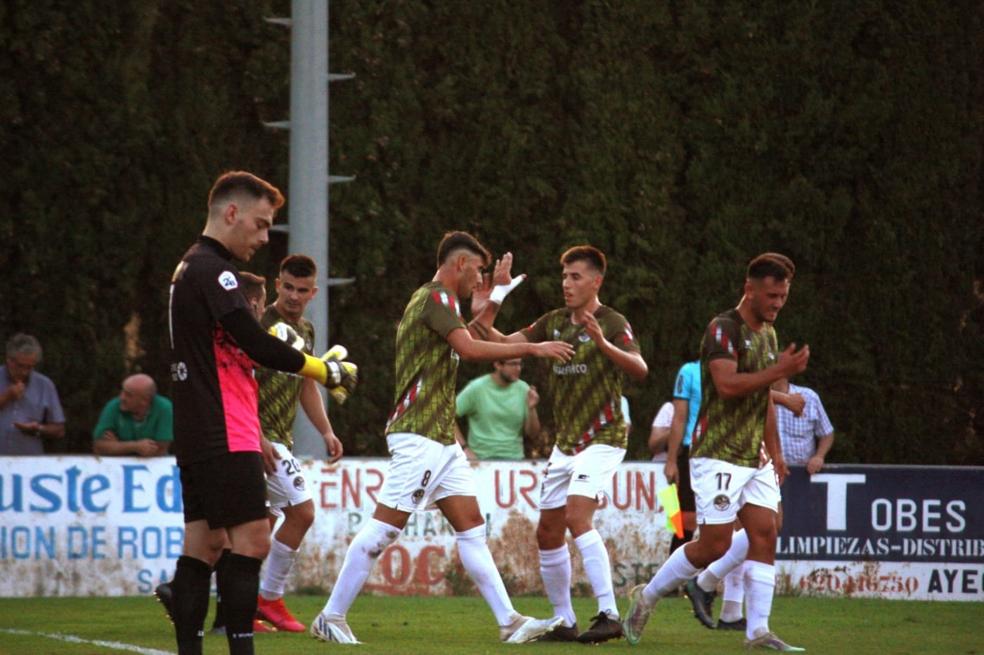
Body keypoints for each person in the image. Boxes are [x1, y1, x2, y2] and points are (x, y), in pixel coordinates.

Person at [309, 231, 574, 645]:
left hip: (440, 441)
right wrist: (535, 349)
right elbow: (470, 348)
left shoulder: (441, 302)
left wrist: (499, 292)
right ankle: (330, 616)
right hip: (419, 434)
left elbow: (476, 330)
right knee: (383, 531)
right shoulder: (435, 298)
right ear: (461, 265)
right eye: (479, 271)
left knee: (470, 528)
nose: (480, 279)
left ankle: (509, 622)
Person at [167, 171, 357, 655]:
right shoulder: (216, 271)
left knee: (204, 546)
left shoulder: (188, 269)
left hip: (196, 427)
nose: (264, 236)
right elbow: (255, 344)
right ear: (231, 214)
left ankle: (191, 649)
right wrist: (324, 370)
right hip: (226, 427)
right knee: (252, 542)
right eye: (260, 223)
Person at [623, 252, 809, 652]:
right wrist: (779, 372)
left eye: (783, 296)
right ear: (750, 289)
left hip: (753, 453)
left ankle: (758, 632)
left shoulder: (769, 335)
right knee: (714, 545)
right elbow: (727, 386)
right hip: (717, 453)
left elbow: (761, 399)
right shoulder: (722, 329)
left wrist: (774, 451)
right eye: (772, 295)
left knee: (765, 532)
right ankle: (649, 597)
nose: (778, 303)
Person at [470, 245, 648, 643]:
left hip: (603, 438)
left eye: (576, 277)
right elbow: (494, 340)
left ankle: (609, 614)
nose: (566, 284)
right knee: (548, 532)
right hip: (566, 444)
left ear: (596, 281)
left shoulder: (613, 321)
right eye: (564, 276)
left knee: (577, 517)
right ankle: (564, 621)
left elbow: (640, 368)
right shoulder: (552, 322)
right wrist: (492, 299)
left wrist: (605, 345)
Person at [253, 254, 345, 633]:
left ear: (313, 293)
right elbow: (241, 383)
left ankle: (240, 608)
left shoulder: (306, 330)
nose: (293, 295)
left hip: (278, 438)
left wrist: (326, 430)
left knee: (258, 529)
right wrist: (256, 436)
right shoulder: (259, 323)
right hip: (259, 437)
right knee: (301, 513)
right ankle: (268, 598)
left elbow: (307, 382)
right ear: (277, 284)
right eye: (287, 287)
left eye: (301, 290)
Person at [454, 358, 540, 461]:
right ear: (498, 365)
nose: (518, 368)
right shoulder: (477, 388)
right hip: (479, 459)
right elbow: (447, 418)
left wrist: (531, 409)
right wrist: (464, 449)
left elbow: (533, 434)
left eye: (520, 364)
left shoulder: (523, 389)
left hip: (515, 460)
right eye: (513, 364)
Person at [0, 333, 65, 455]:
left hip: (28, 464)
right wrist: (7, 396)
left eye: (29, 367)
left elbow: (59, 430)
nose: (24, 372)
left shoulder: (45, 385)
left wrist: (38, 429)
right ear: (9, 360)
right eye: (20, 366)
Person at [92, 374, 173, 456]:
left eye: (128, 395)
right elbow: (99, 447)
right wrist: (136, 446)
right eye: (122, 391)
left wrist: (117, 446)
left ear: (144, 400)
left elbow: (160, 449)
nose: (121, 397)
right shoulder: (113, 405)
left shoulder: (164, 408)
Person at [774, 377, 834, 474]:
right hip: (767, 473)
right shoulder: (755, 398)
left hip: (804, 473)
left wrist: (819, 457)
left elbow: (827, 434)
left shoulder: (809, 397)